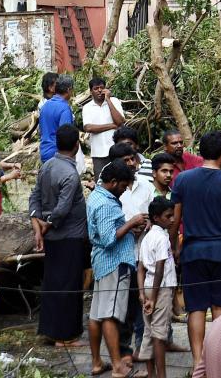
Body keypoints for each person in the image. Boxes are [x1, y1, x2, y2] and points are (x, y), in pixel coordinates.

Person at [171, 130, 221, 368]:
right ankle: (220, 361)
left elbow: (175, 220)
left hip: (193, 251)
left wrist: (174, 246)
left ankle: (197, 363)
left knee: (195, 308)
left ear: (200, 152)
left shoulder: (183, 180)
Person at [86, 159, 148, 378]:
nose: (123, 191)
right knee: (110, 315)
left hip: (102, 262)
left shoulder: (97, 196)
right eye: (122, 186)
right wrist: (131, 223)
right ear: (113, 182)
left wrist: (130, 229)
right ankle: (118, 367)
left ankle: (96, 362)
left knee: (97, 314)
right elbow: (109, 238)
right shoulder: (106, 204)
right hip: (113, 263)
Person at [30, 124, 88, 347]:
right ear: (76, 146)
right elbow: (62, 209)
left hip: (54, 238)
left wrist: (37, 221)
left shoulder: (47, 166)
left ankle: (51, 331)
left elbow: (34, 197)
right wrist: (46, 225)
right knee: (69, 286)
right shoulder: (70, 174)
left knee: (53, 283)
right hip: (68, 237)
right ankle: (66, 336)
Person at [136, 197, 177, 378]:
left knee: (148, 331)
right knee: (159, 334)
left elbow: (140, 269)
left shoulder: (146, 238)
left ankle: (151, 373)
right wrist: (152, 298)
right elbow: (160, 268)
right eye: (168, 216)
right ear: (156, 217)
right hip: (160, 289)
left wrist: (141, 294)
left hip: (147, 287)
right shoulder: (161, 238)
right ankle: (161, 375)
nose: (173, 219)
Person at [82, 77, 125, 182]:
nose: (100, 90)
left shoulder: (114, 101)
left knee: (120, 179)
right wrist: (111, 125)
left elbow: (120, 121)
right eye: (96, 88)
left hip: (116, 150)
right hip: (98, 153)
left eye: (102, 88)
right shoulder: (87, 107)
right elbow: (88, 127)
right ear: (91, 91)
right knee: (101, 182)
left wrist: (108, 100)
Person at [39, 75, 74, 163]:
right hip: (58, 155)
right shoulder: (64, 108)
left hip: (45, 151)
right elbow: (65, 135)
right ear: (69, 90)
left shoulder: (44, 106)